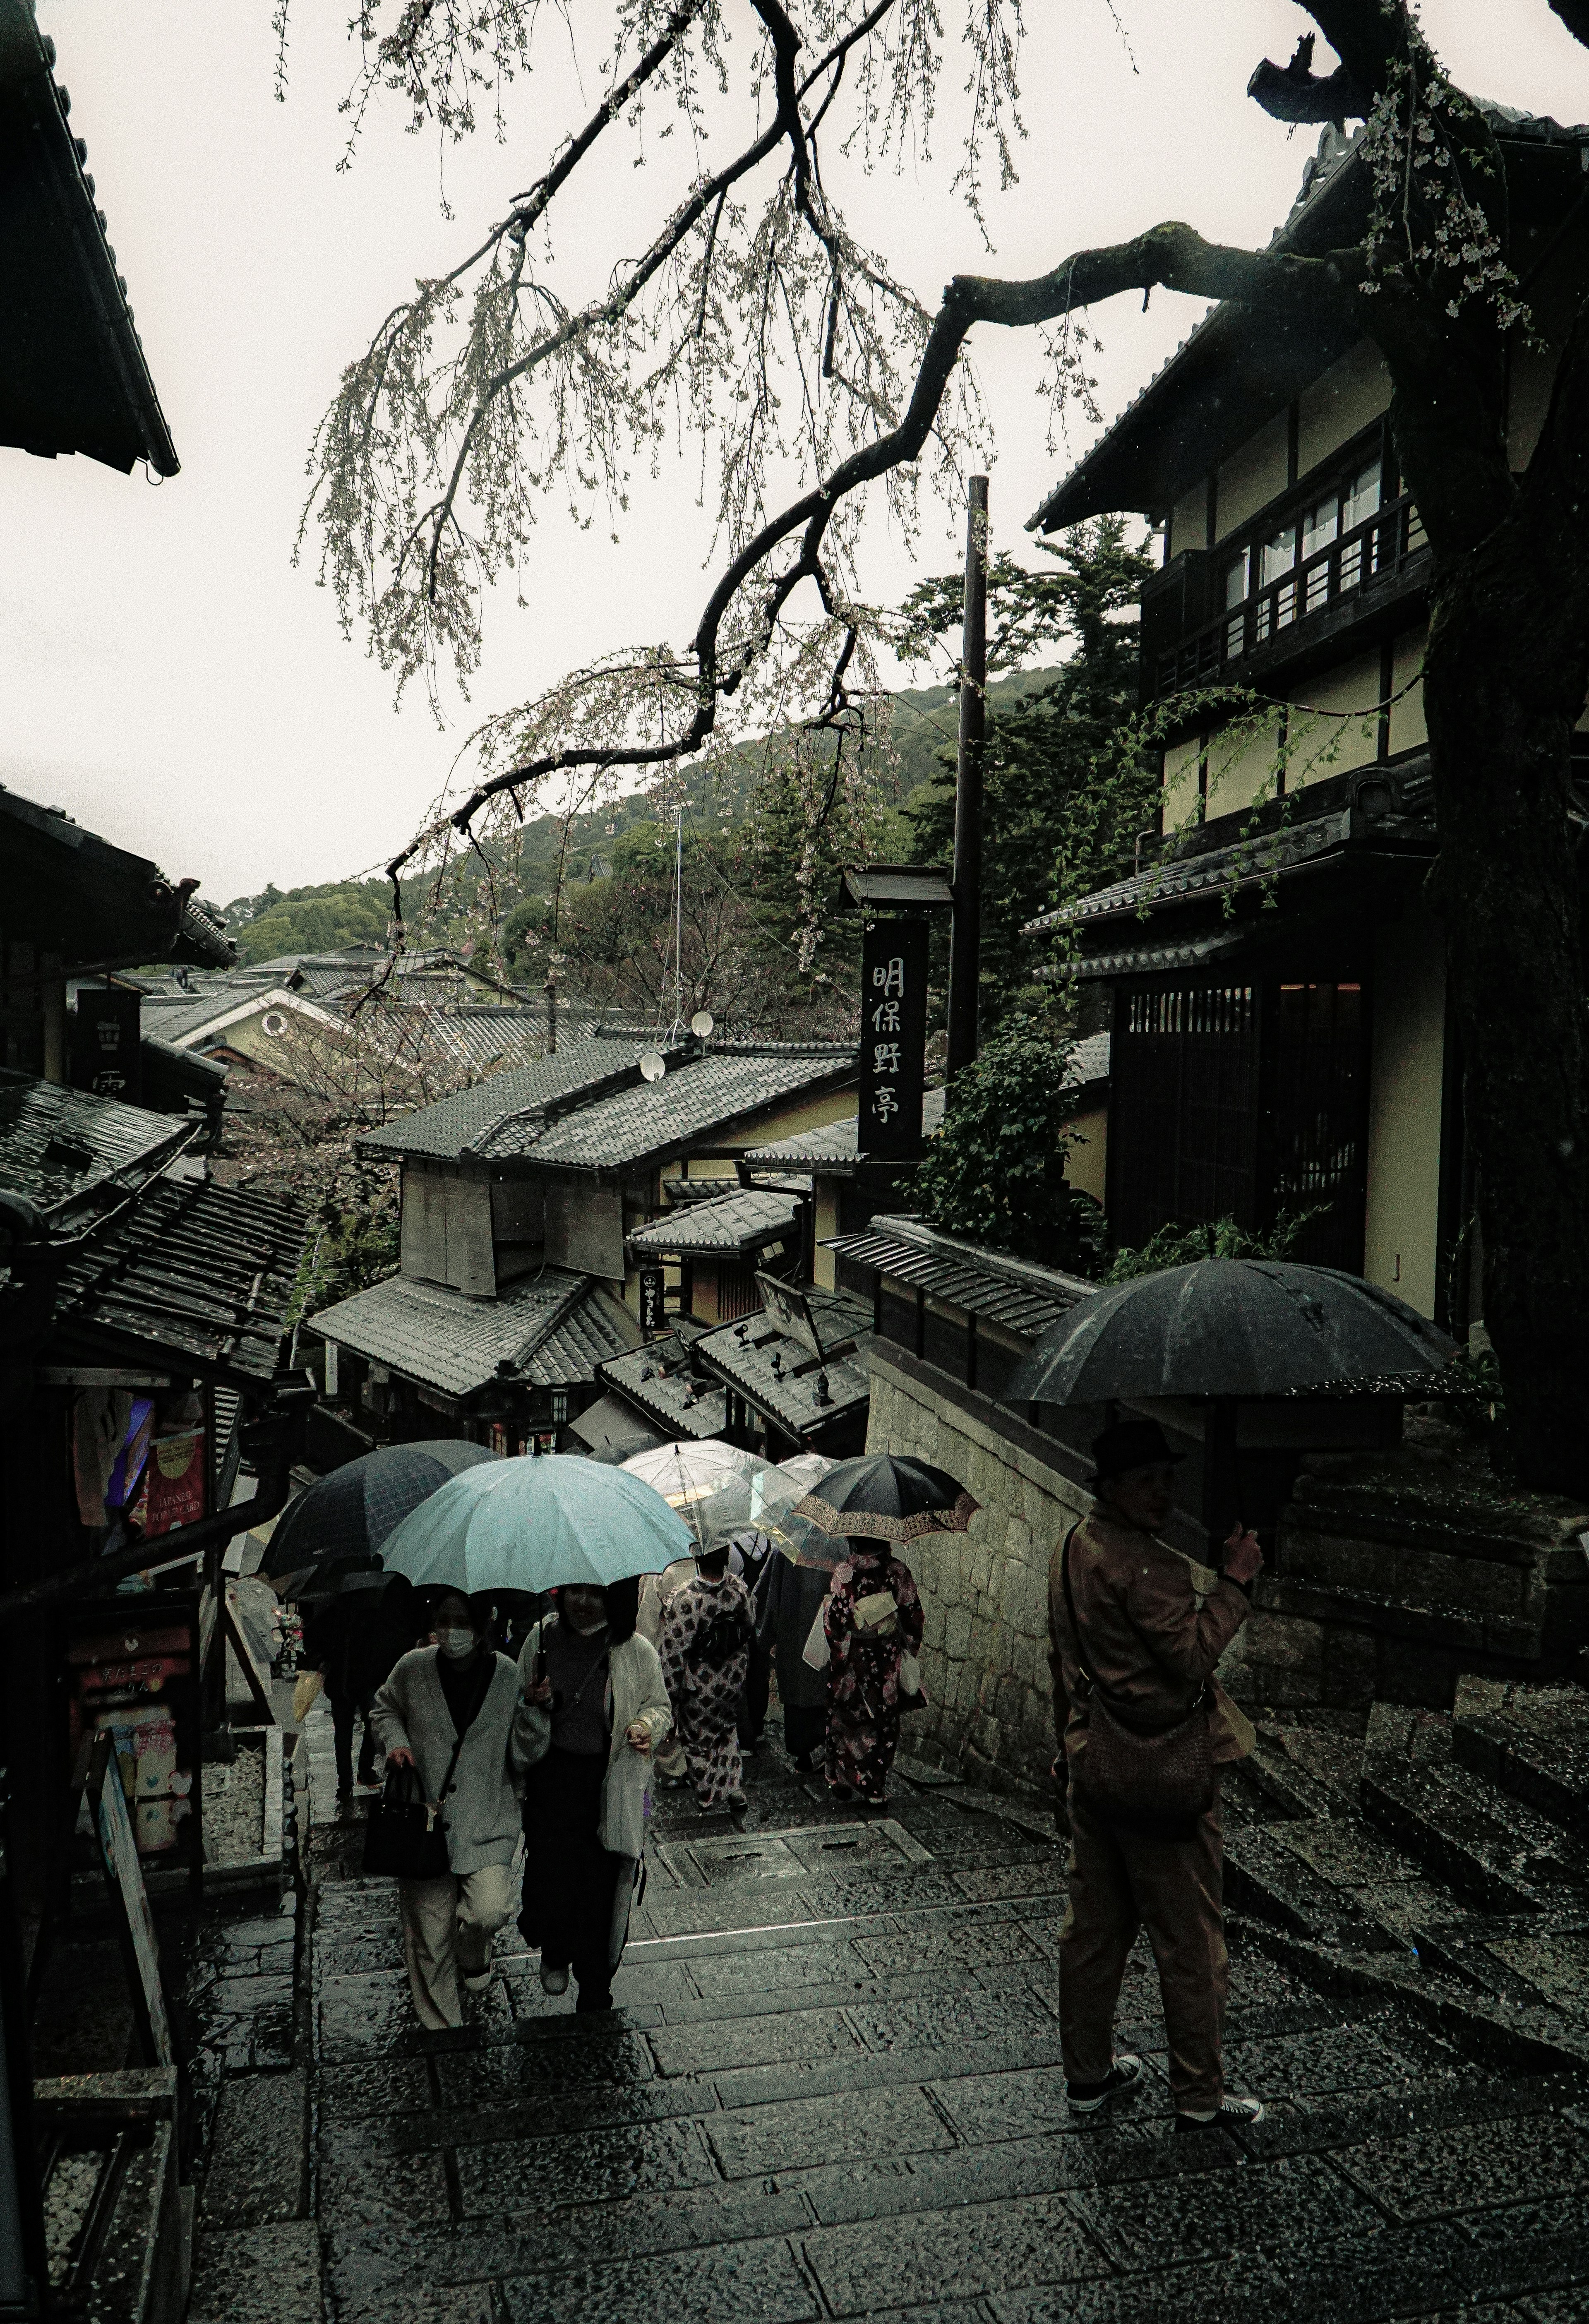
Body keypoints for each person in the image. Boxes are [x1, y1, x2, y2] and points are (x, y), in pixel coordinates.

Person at [1047, 1417, 1266, 2134]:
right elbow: (1193, 1658)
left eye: (1169, 1478)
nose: (1163, 1494)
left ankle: (1087, 2075)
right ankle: (1200, 2095)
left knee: (1095, 1931)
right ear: (1112, 1486)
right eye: (1147, 1482)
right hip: (1165, 1769)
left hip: (1097, 1762)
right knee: (1190, 1939)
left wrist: (1066, 1748)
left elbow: (1063, 1656)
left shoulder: (1074, 1547)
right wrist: (1234, 1583)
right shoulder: (1149, 1566)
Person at [370, 1589, 524, 2032]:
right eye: (444, 1618)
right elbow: (385, 1708)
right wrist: (396, 1740)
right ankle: (443, 2030)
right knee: (430, 1938)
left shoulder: (508, 1675)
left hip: (488, 1822)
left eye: (462, 1620)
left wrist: (536, 1710)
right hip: (423, 1825)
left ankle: (475, 1953)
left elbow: (524, 1753)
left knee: (489, 1912)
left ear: (482, 1624)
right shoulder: (412, 1667)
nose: (451, 1630)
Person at [516, 1577, 672, 2011]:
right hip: (552, 1784)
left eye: (596, 1593)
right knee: (552, 1877)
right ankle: (555, 1948)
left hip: (609, 1784)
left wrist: (645, 1728)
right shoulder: (541, 1639)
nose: (583, 1602)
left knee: (600, 1888)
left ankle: (595, 1981)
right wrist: (533, 1703)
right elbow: (515, 1711)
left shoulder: (635, 1650)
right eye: (575, 1590)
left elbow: (659, 1707)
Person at [823, 1533, 924, 1807]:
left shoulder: (844, 1572)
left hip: (851, 1661)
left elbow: (834, 1622)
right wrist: (906, 1647)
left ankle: (843, 1778)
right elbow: (913, 1615)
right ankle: (875, 1788)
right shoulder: (897, 1572)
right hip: (885, 1662)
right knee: (882, 1722)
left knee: (847, 1720)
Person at [657, 1542, 755, 1812]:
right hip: (733, 1678)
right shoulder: (739, 1590)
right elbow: (748, 1626)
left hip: (700, 1684)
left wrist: (670, 1696)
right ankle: (733, 1787)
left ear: (696, 1558)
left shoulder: (687, 1599)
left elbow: (674, 1652)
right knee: (726, 1731)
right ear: (726, 1558)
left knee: (698, 1739)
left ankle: (708, 1793)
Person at [754, 1545, 831, 1772]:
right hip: (827, 1637)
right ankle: (826, 1749)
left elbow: (764, 1594)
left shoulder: (787, 1550)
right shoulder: (840, 1552)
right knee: (824, 1688)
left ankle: (804, 1755)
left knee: (798, 1691)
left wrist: (765, 1636)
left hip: (793, 1638)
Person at [727, 1528, 774, 1753]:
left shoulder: (734, 1550)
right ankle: (758, 1725)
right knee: (761, 1674)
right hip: (763, 1621)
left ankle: (746, 1732)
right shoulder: (770, 1543)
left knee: (743, 1677)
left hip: (743, 1621)